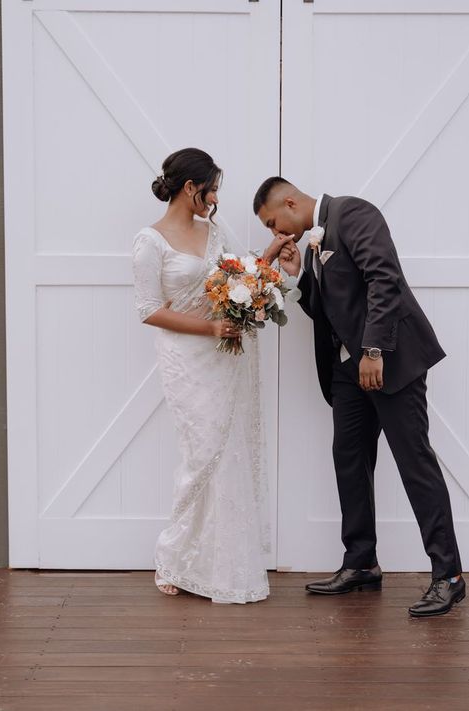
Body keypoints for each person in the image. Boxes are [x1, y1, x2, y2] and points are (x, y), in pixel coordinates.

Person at [255, 177, 465, 618]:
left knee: (414, 463)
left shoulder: (353, 213)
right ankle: (362, 563)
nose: (277, 234)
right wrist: (298, 277)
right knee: (349, 458)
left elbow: (383, 280)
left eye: (275, 223)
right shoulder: (314, 241)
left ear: (290, 202)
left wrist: (373, 350)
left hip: (388, 359)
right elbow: (328, 307)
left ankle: (448, 576)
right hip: (347, 371)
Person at [132, 148, 270, 603]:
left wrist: (272, 263)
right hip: (185, 358)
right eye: (211, 189)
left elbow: (245, 272)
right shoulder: (149, 242)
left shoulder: (215, 231)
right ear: (191, 187)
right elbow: (150, 311)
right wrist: (210, 325)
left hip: (224, 354)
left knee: (228, 450)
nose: (214, 198)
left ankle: (222, 562)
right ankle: (174, 557)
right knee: (201, 453)